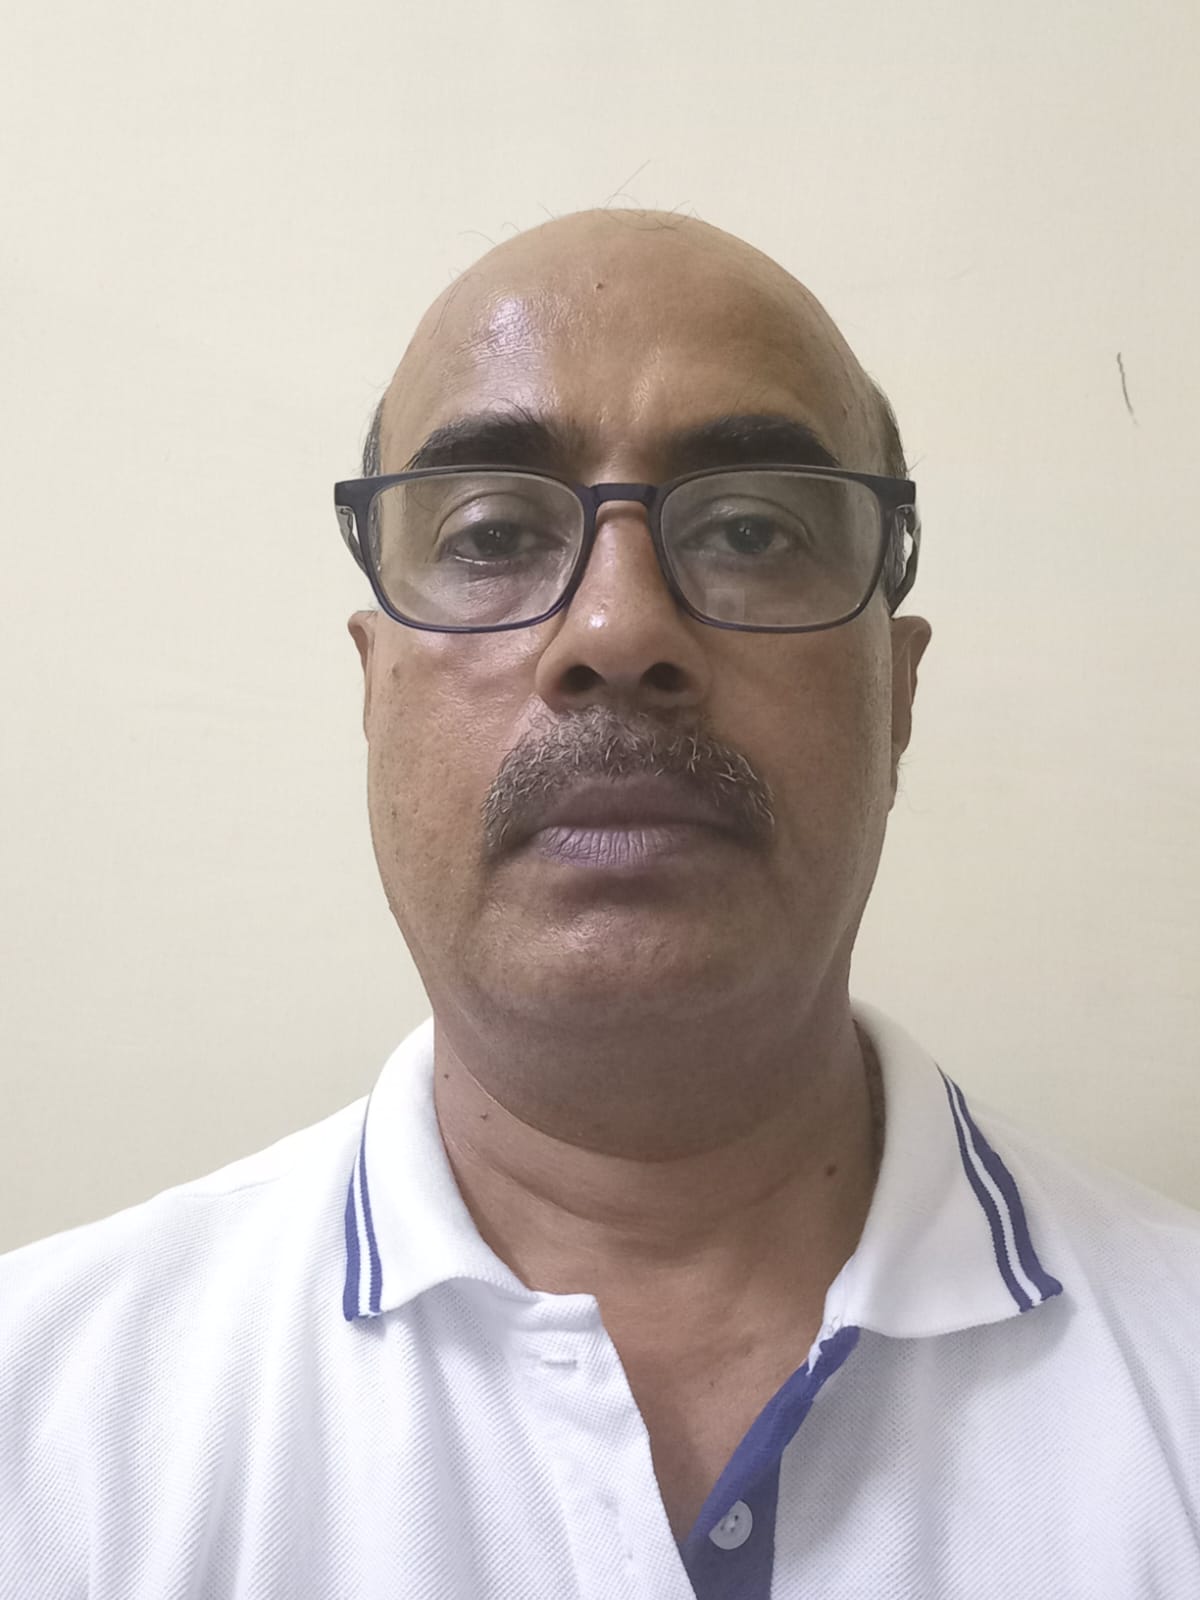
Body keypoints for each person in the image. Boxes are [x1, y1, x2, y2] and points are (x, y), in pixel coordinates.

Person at [2, 209, 1197, 1600]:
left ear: (898, 692)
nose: (619, 631)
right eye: (493, 533)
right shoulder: (46, 1428)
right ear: (376, 690)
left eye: (749, 529)